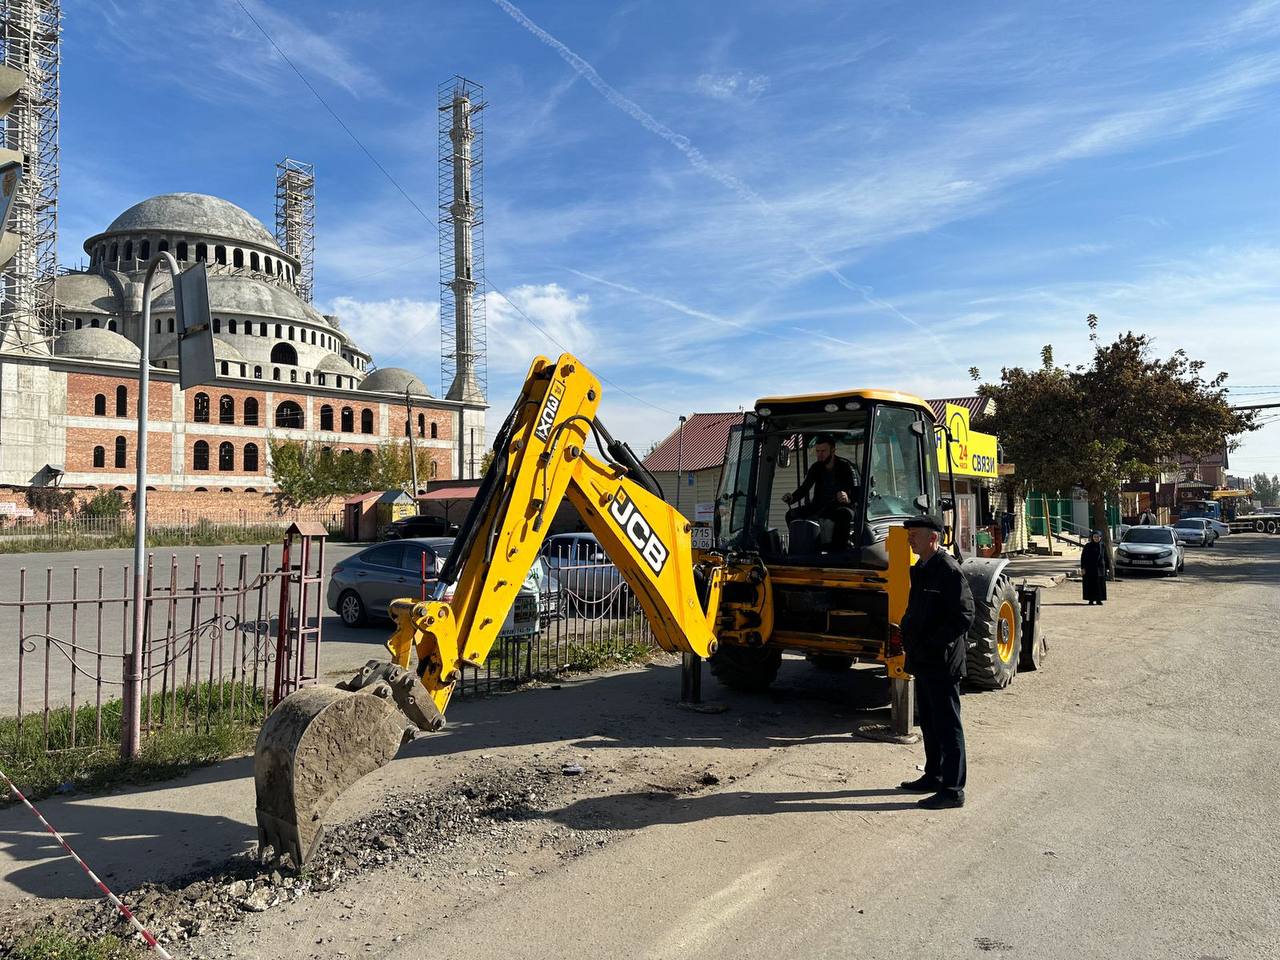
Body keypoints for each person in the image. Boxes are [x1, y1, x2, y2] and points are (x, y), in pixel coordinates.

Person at [897, 514, 975, 810]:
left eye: (914, 534)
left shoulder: (947, 570)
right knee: (929, 721)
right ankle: (934, 774)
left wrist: (932, 642)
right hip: (924, 659)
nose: (909, 539)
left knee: (947, 724)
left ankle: (953, 790)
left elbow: (964, 616)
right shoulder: (922, 567)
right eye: (909, 534)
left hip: (941, 661)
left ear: (933, 538)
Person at [781, 434, 860, 549]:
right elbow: (805, 488)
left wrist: (847, 498)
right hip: (819, 506)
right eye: (818, 451)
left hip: (840, 506)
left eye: (823, 451)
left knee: (844, 514)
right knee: (791, 515)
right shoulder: (816, 467)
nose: (820, 455)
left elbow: (857, 492)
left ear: (833, 450)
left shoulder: (846, 467)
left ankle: (838, 551)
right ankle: (802, 546)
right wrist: (792, 497)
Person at [1081, 530, 1107, 605]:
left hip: (1100, 569)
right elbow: (1083, 558)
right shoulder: (1088, 546)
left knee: (1099, 584)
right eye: (1094, 537)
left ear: (1100, 537)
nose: (1096, 538)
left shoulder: (1103, 545)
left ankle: (1099, 600)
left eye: (1097, 537)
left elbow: (1105, 557)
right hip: (1090, 569)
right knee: (1091, 584)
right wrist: (1083, 568)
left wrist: (1107, 568)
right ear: (1092, 537)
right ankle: (1091, 600)